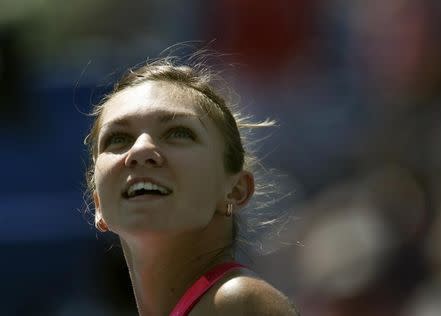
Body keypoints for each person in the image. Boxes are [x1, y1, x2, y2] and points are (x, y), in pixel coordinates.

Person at [84, 54, 299, 315]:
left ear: (235, 190)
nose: (141, 150)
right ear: (98, 205)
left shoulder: (237, 302)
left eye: (178, 133)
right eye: (118, 138)